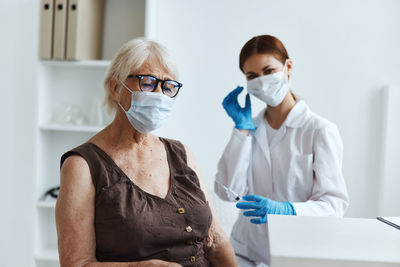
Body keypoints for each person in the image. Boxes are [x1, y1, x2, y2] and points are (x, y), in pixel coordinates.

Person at [56, 38, 237, 267]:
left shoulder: (182, 154)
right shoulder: (82, 165)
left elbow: (216, 241)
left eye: (168, 86)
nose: (159, 95)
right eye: (148, 82)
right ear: (115, 87)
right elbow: (76, 263)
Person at [215, 35, 349, 267]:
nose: (262, 81)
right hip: (245, 252)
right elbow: (227, 192)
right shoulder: (249, 128)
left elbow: (334, 206)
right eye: (252, 76)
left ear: (288, 67)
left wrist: (287, 210)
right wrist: (241, 131)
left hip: (297, 255)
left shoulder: (319, 130)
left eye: (269, 71)